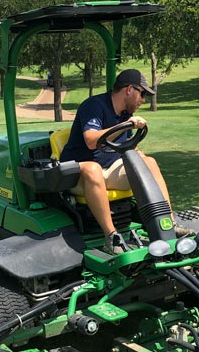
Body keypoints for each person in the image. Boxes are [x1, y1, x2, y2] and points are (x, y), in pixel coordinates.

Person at [60, 68, 171, 253]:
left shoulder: (125, 114)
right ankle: (111, 237)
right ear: (129, 89)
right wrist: (125, 125)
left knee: (148, 162)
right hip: (77, 174)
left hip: (109, 170)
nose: (143, 100)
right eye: (141, 94)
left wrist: (139, 155)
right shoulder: (93, 106)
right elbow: (91, 141)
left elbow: (126, 147)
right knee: (93, 169)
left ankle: (168, 223)